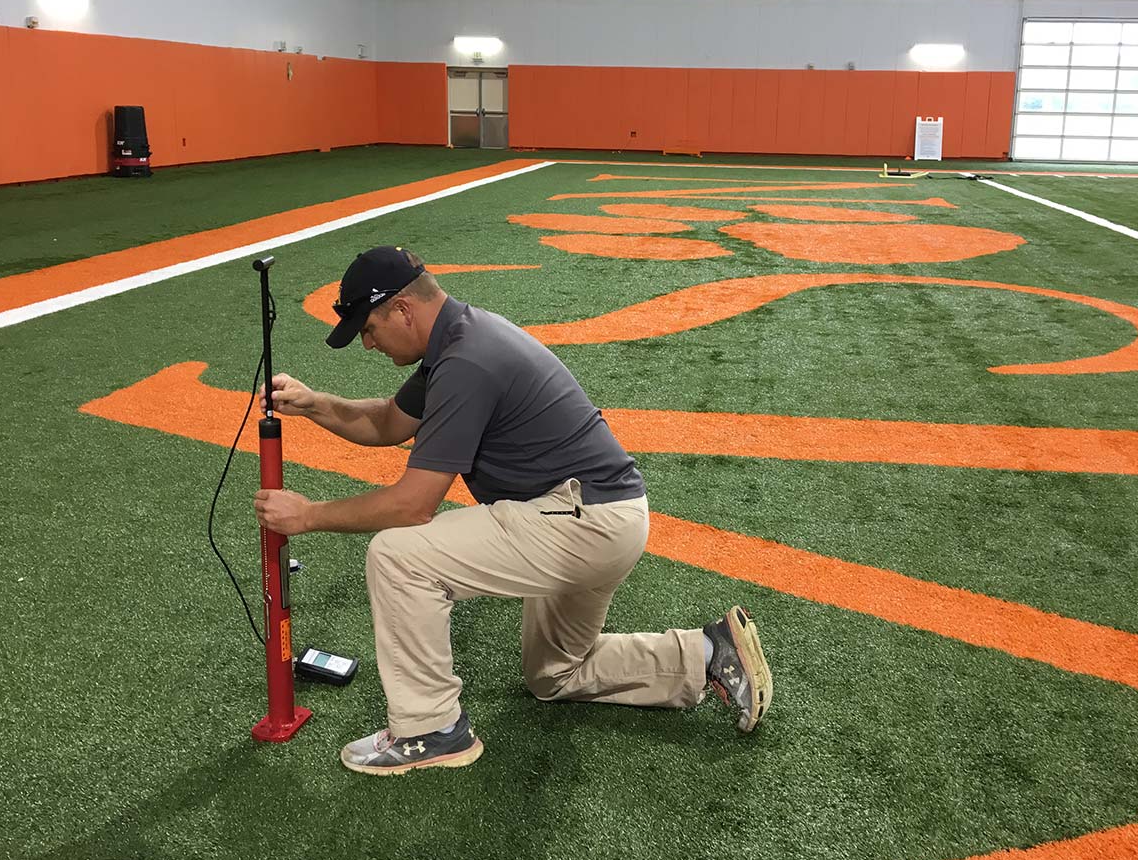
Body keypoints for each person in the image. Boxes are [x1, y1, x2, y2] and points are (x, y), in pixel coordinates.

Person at [254, 246, 773, 775]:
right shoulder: (460, 338)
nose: (367, 342)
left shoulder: (466, 359)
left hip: (582, 521)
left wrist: (308, 515)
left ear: (403, 310)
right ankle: (708, 653)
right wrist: (315, 403)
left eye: (368, 327)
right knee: (554, 674)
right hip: (600, 516)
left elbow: (412, 505)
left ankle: (430, 729)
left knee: (398, 554)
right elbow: (389, 422)